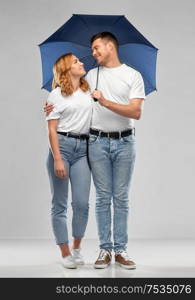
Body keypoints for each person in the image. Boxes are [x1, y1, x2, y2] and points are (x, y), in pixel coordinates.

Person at [45, 32, 145, 270]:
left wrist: (105, 100)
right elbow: (67, 98)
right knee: (101, 198)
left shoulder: (133, 75)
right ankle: (103, 250)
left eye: (97, 48)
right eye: (91, 50)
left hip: (124, 142)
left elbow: (136, 112)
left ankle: (120, 250)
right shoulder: (91, 75)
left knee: (119, 198)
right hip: (96, 142)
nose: (92, 54)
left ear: (110, 46)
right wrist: (50, 106)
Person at [46, 53, 92, 269]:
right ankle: (65, 253)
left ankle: (77, 248)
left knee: (82, 204)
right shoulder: (55, 95)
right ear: (65, 68)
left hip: (84, 150)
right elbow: (52, 130)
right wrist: (57, 159)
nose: (81, 63)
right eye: (76, 61)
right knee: (60, 204)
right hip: (61, 148)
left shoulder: (88, 90)